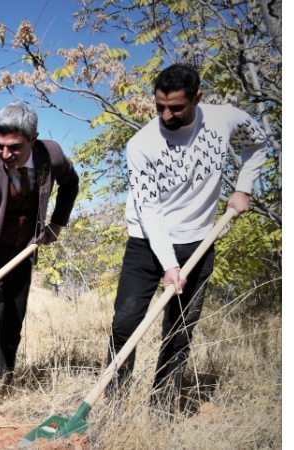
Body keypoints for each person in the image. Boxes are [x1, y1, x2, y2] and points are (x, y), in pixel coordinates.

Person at [107, 63, 268, 409]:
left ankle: (162, 407)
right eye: (159, 106)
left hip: (199, 240)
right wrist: (169, 264)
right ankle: (114, 405)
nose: (166, 115)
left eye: (176, 107)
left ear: (198, 97)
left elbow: (258, 143)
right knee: (125, 323)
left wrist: (244, 188)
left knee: (179, 330)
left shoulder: (224, 118)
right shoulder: (142, 144)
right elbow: (149, 210)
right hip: (146, 242)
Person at [0, 101, 79, 411]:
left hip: (23, 251)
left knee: (13, 319)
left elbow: (71, 184)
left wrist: (58, 224)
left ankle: (4, 379)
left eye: (14, 148)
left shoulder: (53, 156)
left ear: (32, 140)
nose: (5, 154)